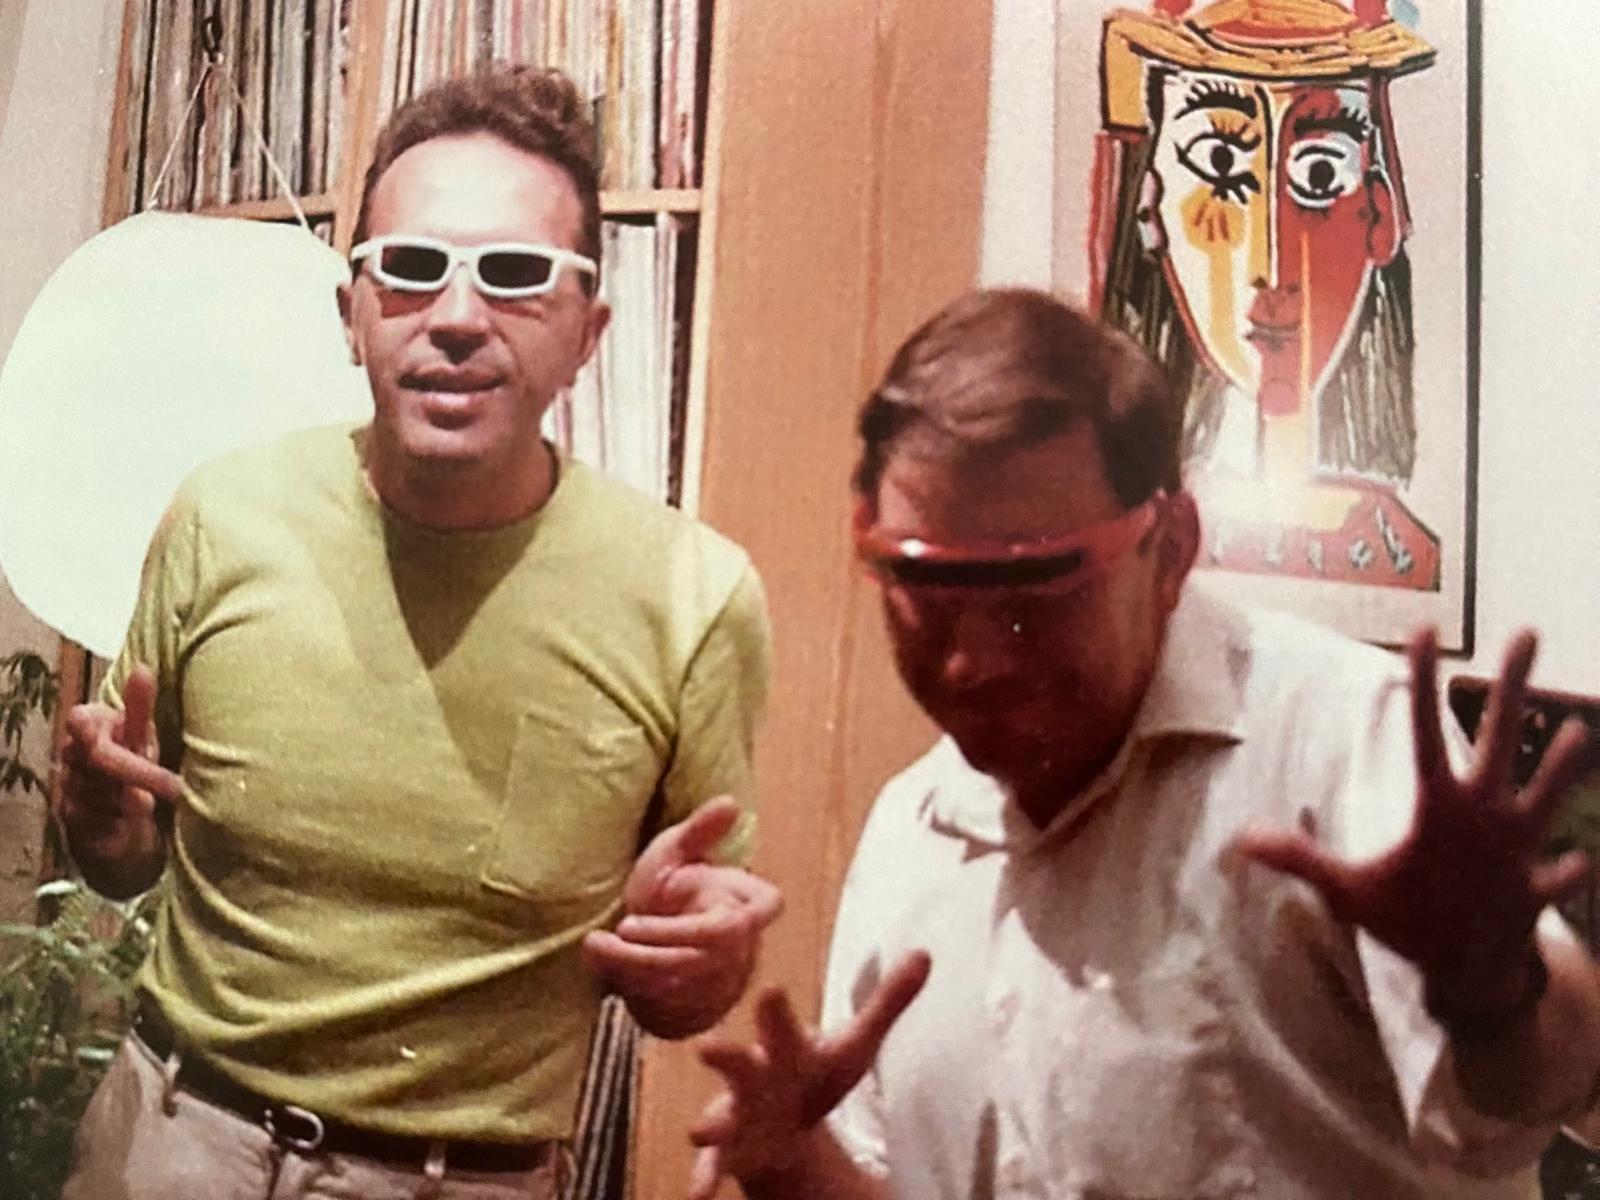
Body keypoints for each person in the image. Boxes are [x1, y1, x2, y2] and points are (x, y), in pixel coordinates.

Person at [687, 289, 1600, 1199]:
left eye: (1035, 595)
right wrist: (795, 1164)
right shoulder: (908, 831)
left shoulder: (1334, 736)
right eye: (924, 589)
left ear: (1168, 549)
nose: (971, 663)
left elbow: (1526, 1110)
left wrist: (1495, 993)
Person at [53, 65, 778, 1200]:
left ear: (588, 333)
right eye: (410, 269)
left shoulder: (693, 595)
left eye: (516, 275)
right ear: (351, 315)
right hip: (171, 1139)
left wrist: (699, 968)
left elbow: (681, 974)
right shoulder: (221, 516)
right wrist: (101, 827)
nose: (456, 317)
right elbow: (128, 853)